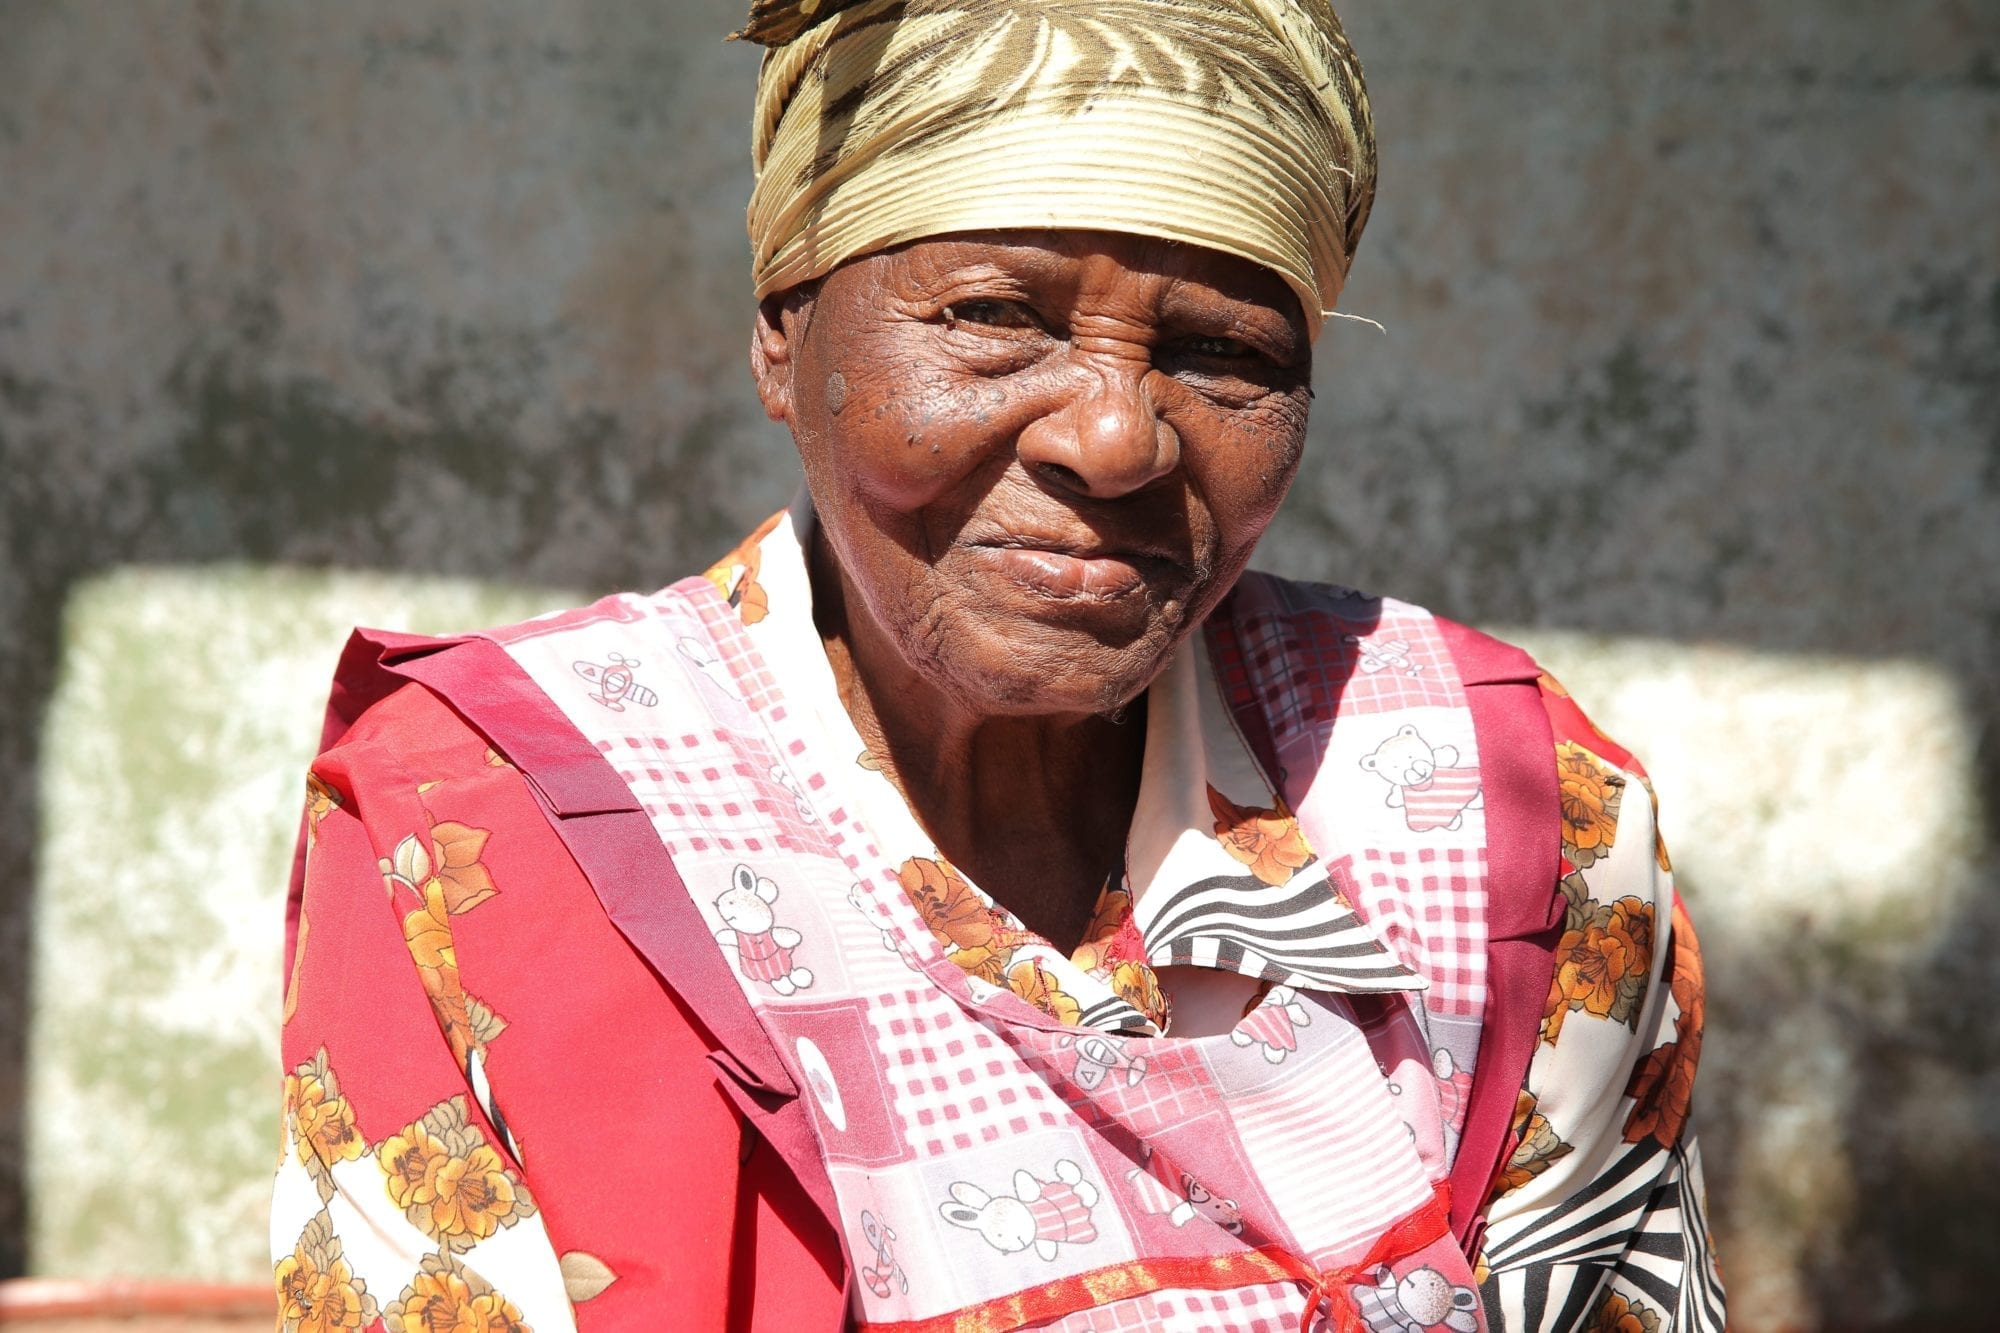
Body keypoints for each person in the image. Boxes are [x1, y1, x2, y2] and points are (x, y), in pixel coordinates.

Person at [271, 2, 1724, 1329]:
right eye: (995, 317)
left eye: (1227, 354)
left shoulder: (1511, 823)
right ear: (785, 337)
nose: (1114, 438)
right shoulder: (495, 828)